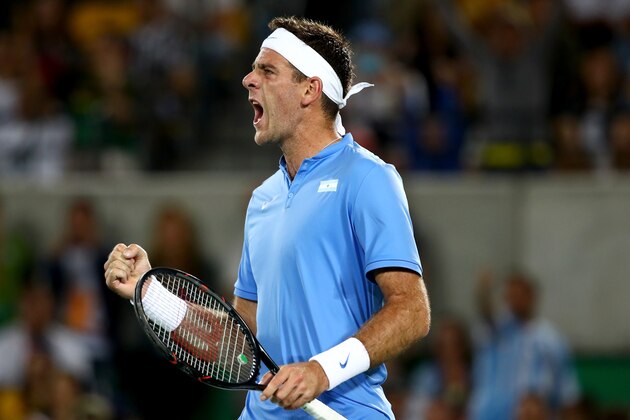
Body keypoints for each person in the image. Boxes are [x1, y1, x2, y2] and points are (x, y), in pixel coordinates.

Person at [104, 16, 431, 419]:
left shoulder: (368, 178)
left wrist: (321, 371)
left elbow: (412, 311)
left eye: (267, 70)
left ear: (310, 90)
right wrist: (148, 292)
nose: (247, 79)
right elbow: (238, 337)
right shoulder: (263, 199)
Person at [468, 269, 581, 420]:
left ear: (532, 297)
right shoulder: (498, 332)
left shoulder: (550, 339)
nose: (514, 300)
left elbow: (567, 390)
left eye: (519, 295)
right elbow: (486, 315)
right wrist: (483, 292)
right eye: (510, 296)